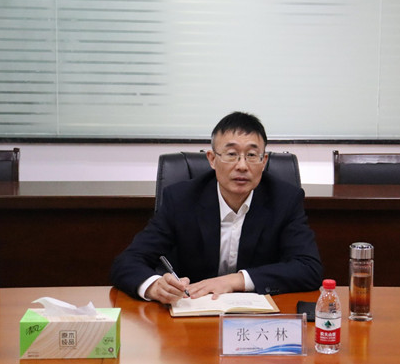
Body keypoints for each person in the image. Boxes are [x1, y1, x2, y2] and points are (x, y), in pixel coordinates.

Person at [110, 111, 323, 304]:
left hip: (255, 318)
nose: (242, 165)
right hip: (191, 315)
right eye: (231, 154)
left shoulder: (284, 199)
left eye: (251, 155)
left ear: (264, 161)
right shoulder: (181, 199)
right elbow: (127, 261)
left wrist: (235, 280)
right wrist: (154, 286)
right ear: (212, 159)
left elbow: (309, 268)